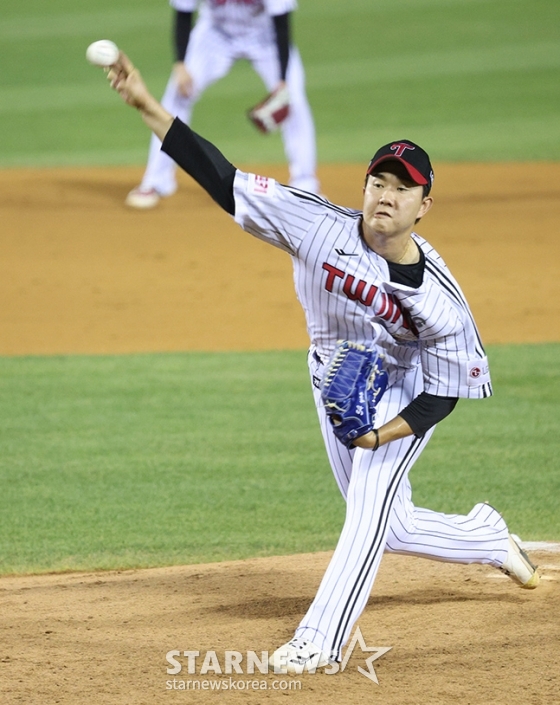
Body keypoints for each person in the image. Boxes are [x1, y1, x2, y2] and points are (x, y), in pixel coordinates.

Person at [106, 53, 540, 674]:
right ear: (364, 186)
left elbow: (442, 395)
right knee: (391, 523)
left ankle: (320, 641)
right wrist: (147, 105)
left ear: (425, 205)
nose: (387, 196)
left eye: (403, 188)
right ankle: (487, 536)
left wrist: (378, 435)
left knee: (367, 506)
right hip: (333, 383)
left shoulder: (442, 304)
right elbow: (220, 175)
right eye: (379, 183)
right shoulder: (313, 224)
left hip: (404, 388)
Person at [125, 0, 320, 209]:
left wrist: (282, 81)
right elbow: (183, 12)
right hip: (215, 35)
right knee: (177, 94)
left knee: (293, 99)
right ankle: (156, 180)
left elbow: (282, 24)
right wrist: (180, 64)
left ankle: (305, 183)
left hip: (265, 37)